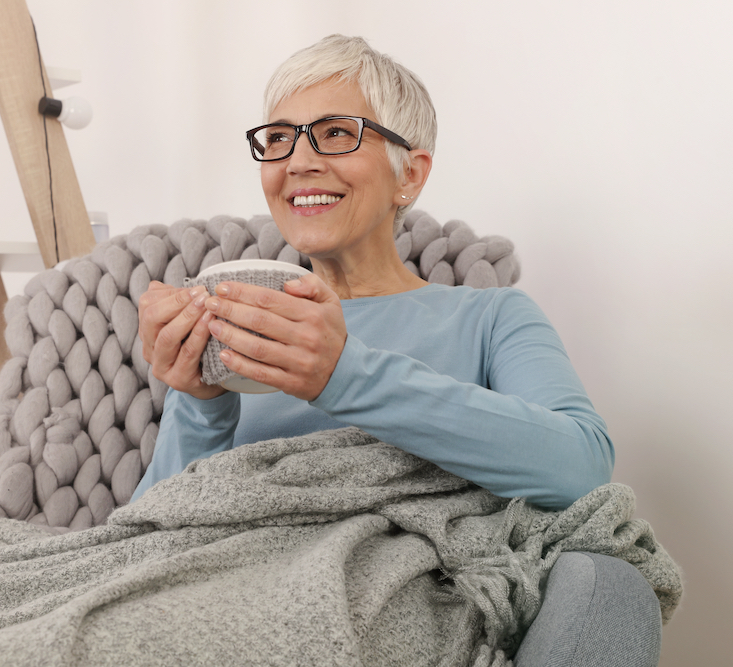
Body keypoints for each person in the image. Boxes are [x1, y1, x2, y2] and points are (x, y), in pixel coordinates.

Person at [131, 34, 661, 664]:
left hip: (399, 614)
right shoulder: (236, 323)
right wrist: (198, 398)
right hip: (227, 607)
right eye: (278, 138)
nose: (298, 161)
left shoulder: (489, 317)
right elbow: (145, 541)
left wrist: (344, 373)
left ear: (409, 173)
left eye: (335, 133)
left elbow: (581, 468)